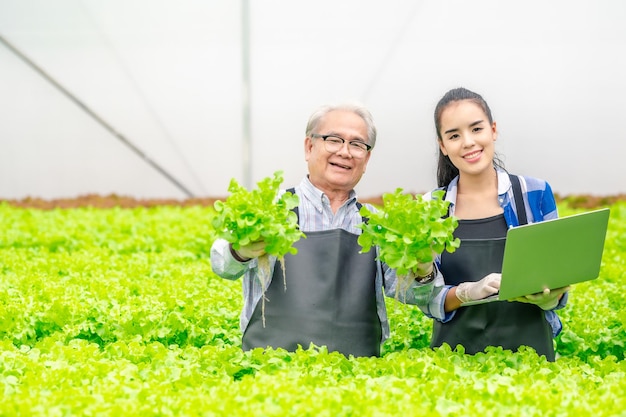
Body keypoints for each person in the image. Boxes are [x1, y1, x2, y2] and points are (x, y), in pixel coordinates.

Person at [210, 103, 437, 357]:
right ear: (309, 147)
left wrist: (424, 271)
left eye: (357, 144)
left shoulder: (377, 224)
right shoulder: (272, 209)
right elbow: (221, 264)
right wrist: (240, 250)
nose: (345, 152)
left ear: (367, 158)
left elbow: (412, 293)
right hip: (271, 373)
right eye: (334, 140)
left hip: (356, 375)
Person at [418, 87, 569, 361]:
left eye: (476, 129)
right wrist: (466, 293)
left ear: (493, 130)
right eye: (454, 135)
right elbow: (423, 293)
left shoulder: (532, 193)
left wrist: (551, 297)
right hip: (454, 359)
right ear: (443, 145)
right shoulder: (430, 208)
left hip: (531, 355)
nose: (468, 142)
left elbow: (558, 276)